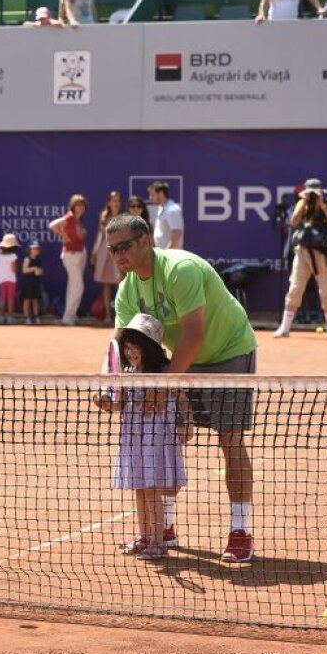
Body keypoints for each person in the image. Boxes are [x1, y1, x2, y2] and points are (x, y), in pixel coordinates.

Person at [109, 212, 259, 563]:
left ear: (145, 240)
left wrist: (165, 386)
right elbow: (120, 347)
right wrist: (114, 389)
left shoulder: (181, 269)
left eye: (124, 247)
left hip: (228, 350)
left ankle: (240, 530)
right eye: (112, 249)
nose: (118, 255)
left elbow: (194, 334)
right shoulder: (127, 290)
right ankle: (164, 526)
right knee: (165, 437)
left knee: (230, 440)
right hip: (178, 360)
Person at [91, 314, 190, 561]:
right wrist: (105, 404)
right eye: (127, 347)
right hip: (134, 439)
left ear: (150, 347)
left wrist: (186, 423)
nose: (130, 352)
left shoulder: (166, 372)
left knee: (152, 490)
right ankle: (145, 537)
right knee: (140, 489)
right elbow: (121, 404)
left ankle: (158, 542)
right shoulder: (127, 371)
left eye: (136, 347)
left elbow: (182, 397)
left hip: (157, 440)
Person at [274, 178, 327, 338]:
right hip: (302, 250)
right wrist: (304, 202)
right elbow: (294, 222)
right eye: (310, 191)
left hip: (322, 251)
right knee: (295, 287)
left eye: (315, 191)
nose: (312, 194)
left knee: (326, 288)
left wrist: (322, 205)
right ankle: (285, 327)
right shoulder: (301, 203)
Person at [49, 194, 89, 326]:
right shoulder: (70, 217)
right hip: (71, 254)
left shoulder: (78, 220)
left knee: (73, 285)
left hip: (80, 252)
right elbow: (52, 225)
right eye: (78, 205)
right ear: (73, 206)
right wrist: (62, 234)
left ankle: (71, 315)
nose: (80, 208)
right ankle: (68, 316)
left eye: (82, 205)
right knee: (78, 286)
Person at [92, 191, 124, 321]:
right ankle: (108, 315)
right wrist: (94, 252)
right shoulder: (104, 216)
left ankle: (120, 315)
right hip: (105, 252)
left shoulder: (124, 217)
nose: (116, 203)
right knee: (106, 284)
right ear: (109, 202)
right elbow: (100, 236)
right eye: (114, 200)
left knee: (121, 284)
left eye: (118, 200)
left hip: (120, 252)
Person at [0, 233, 20, 324]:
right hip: (11, 279)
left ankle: (2, 317)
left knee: (3, 298)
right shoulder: (13, 256)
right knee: (10, 298)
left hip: (2, 280)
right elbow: (14, 269)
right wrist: (18, 267)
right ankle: (10, 317)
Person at [147, 181, 184, 250]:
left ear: (161, 194)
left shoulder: (172, 209)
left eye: (152, 194)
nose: (150, 198)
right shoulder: (161, 208)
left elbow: (176, 233)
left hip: (171, 255)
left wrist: (168, 253)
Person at [19, 241, 44, 325]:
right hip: (28, 283)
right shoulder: (27, 259)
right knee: (27, 300)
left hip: (36, 283)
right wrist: (33, 269)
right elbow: (24, 270)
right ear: (30, 250)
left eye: (37, 249)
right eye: (33, 248)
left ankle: (36, 317)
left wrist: (40, 271)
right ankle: (26, 318)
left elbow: (39, 271)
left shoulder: (38, 260)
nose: (35, 250)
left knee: (35, 300)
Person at [255, 0, 325, 21]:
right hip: (274, 23)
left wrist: (319, 7)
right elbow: (264, 2)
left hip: (292, 23)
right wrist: (261, 14)